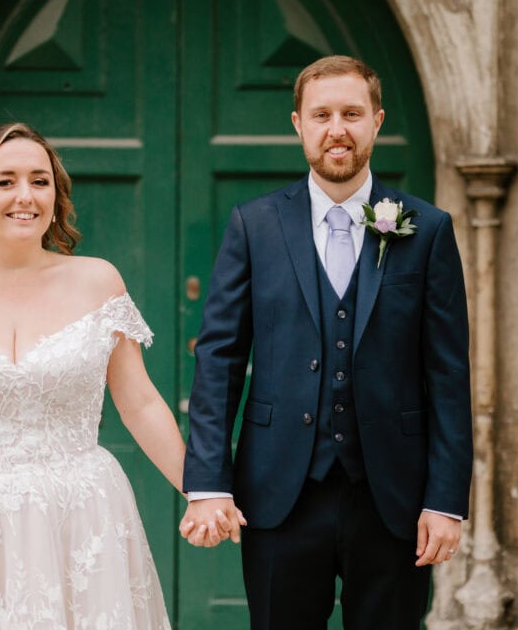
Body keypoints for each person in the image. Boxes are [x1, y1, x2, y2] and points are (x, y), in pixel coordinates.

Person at [179, 55, 474, 630]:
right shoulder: (253, 225)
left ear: (377, 121)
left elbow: (448, 373)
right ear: (298, 124)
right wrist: (208, 482)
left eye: (351, 113)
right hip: (279, 493)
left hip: (395, 499)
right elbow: (219, 358)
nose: (337, 129)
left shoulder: (427, 228)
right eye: (322, 115)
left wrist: (445, 500)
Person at [0, 123, 188, 629]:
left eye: (39, 181)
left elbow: (140, 402)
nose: (25, 196)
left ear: (55, 196)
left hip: (82, 517)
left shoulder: (99, 282)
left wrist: (199, 489)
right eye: (5, 182)